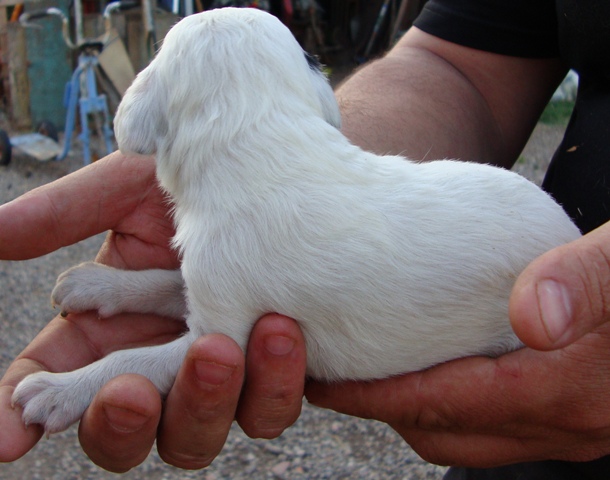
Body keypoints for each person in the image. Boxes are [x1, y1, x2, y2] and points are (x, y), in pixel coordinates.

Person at [1, 0, 610, 477]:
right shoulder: (245, 233)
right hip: (522, 290)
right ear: (313, 95)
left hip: (536, 325)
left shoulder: (226, 236)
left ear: (153, 103)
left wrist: (79, 383)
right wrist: (127, 290)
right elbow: (459, 63)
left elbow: (212, 338)